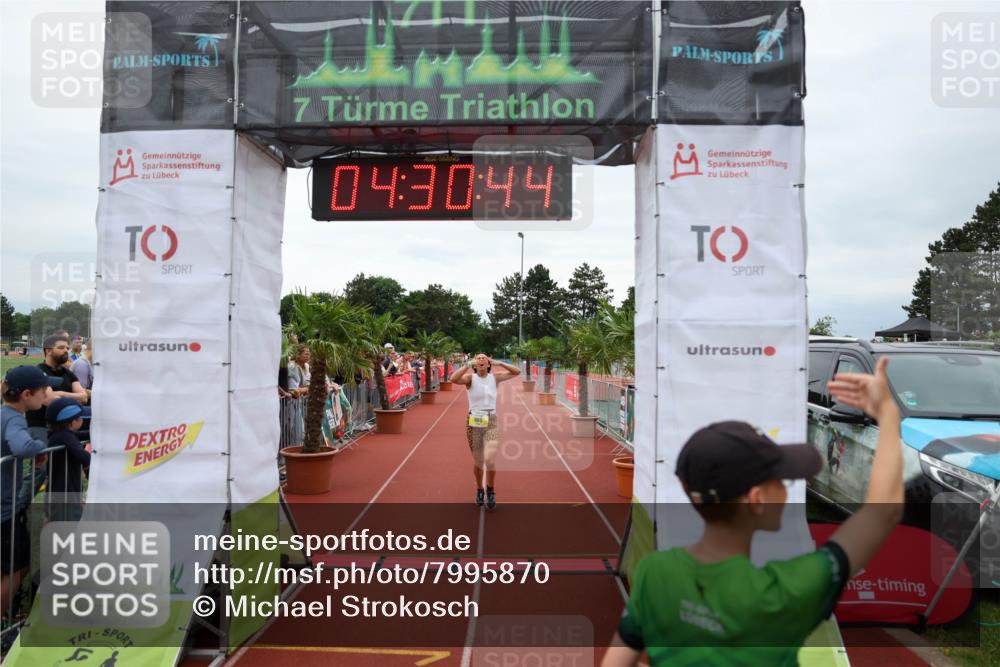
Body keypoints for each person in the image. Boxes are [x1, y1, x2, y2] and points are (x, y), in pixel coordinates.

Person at [601, 358, 904, 666]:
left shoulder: (655, 573)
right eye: (781, 480)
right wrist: (889, 415)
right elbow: (882, 513)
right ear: (757, 499)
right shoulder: (788, 590)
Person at [2, 366, 62, 617]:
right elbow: (22, 446)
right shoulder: (14, 417)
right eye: (44, 390)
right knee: (18, 566)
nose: (48, 394)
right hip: (4, 509)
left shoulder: (4, 413)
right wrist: (39, 447)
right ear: (27, 394)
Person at [449, 354, 521, 510]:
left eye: (484, 358)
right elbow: (453, 379)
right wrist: (468, 364)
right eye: (478, 358)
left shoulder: (494, 378)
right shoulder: (470, 379)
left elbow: (517, 372)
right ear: (475, 364)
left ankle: (491, 489)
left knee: (490, 459)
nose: (481, 360)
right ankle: (480, 490)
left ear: (488, 363)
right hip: (474, 421)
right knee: (478, 460)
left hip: (491, 420)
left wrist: (499, 362)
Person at [25, 335, 89, 440]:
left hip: (65, 429)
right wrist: (74, 397)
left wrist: (60, 394)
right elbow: (49, 400)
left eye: (67, 348)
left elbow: (84, 397)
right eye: (61, 348)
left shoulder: (67, 373)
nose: (66, 351)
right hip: (42, 428)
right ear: (48, 351)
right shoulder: (38, 371)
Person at [45, 397, 92, 523]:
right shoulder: (65, 436)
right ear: (72, 423)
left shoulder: (60, 434)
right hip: (64, 493)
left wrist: (95, 433)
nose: (82, 420)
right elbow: (83, 456)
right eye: (80, 418)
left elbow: (82, 435)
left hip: (61, 490)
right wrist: (91, 458)